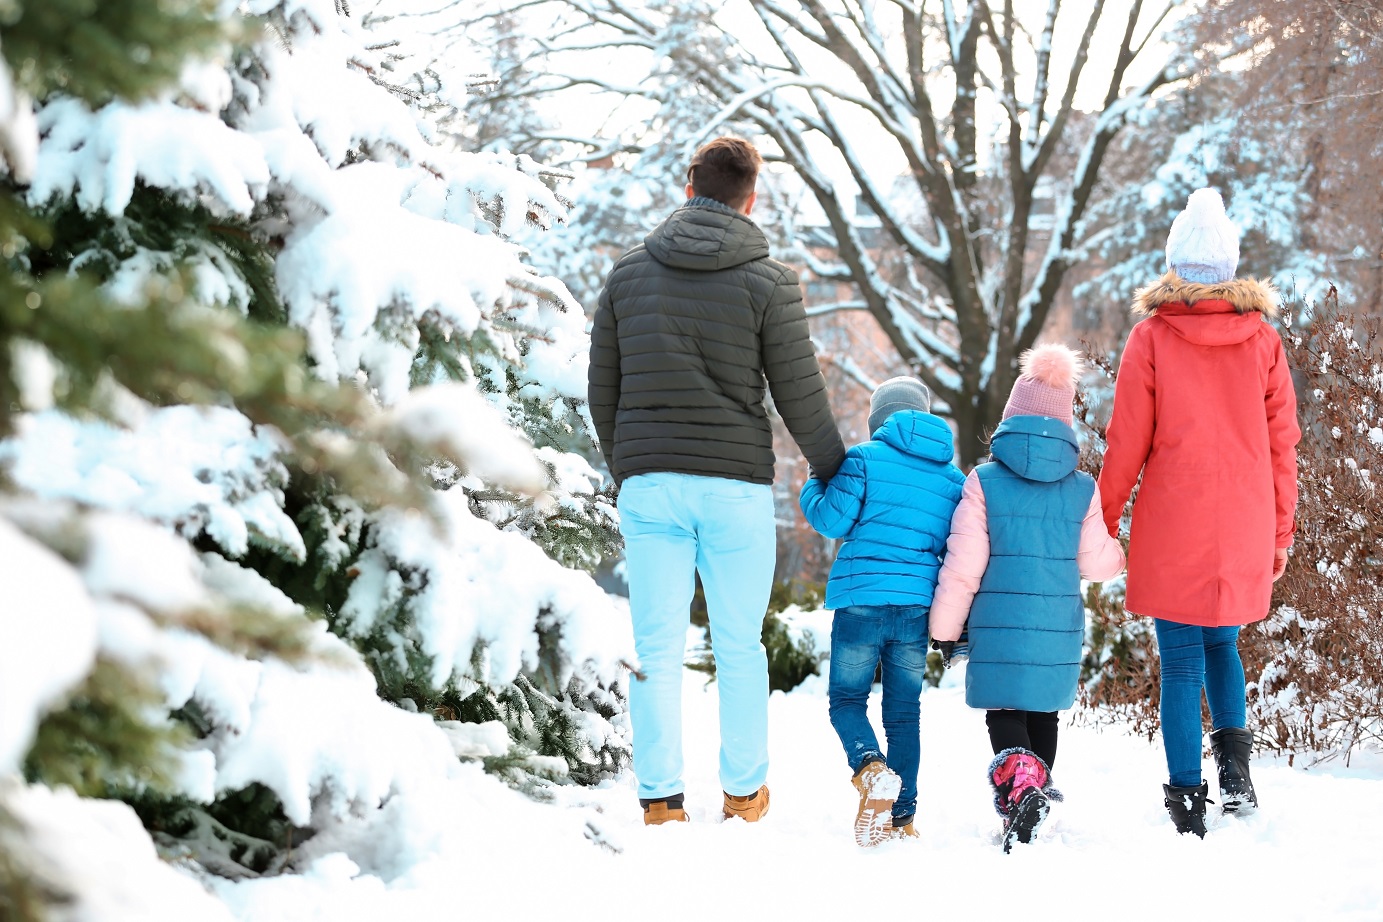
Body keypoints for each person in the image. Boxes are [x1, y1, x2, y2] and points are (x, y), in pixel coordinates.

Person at [588, 136, 846, 826]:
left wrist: (631, 466)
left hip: (650, 485)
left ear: (688, 188)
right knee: (738, 644)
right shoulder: (769, 282)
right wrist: (836, 471)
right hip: (733, 487)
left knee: (656, 648)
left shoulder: (626, 275)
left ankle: (661, 801)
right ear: (750, 197)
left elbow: (601, 391)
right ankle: (742, 794)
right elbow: (800, 395)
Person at [1097, 188, 1301, 838]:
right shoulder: (1262, 340)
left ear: (1176, 266)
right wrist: (1279, 532)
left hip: (1174, 523)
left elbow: (1126, 439)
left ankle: (1187, 799)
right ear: (1230, 268)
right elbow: (1282, 444)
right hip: (1243, 520)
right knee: (1223, 645)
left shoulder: (1150, 337)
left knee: (1181, 659)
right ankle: (1236, 778)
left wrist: (1100, 518)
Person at [929, 343, 1126, 853]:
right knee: (1044, 713)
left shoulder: (984, 482)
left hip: (999, 625)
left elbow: (963, 565)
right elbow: (1098, 563)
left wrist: (945, 630)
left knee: (1005, 712)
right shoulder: (1083, 488)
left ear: (1010, 420)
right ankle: (1032, 796)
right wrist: (1122, 549)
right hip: (1057, 626)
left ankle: (1022, 792)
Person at [798, 377, 964, 846]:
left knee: (847, 701)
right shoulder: (953, 480)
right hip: (915, 606)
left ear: (878, 421)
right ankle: (902, 817)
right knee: (904, 714)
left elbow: (830, 519)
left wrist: (815, 480)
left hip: (861, 601)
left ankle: (871, 769)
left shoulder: (863, 460)